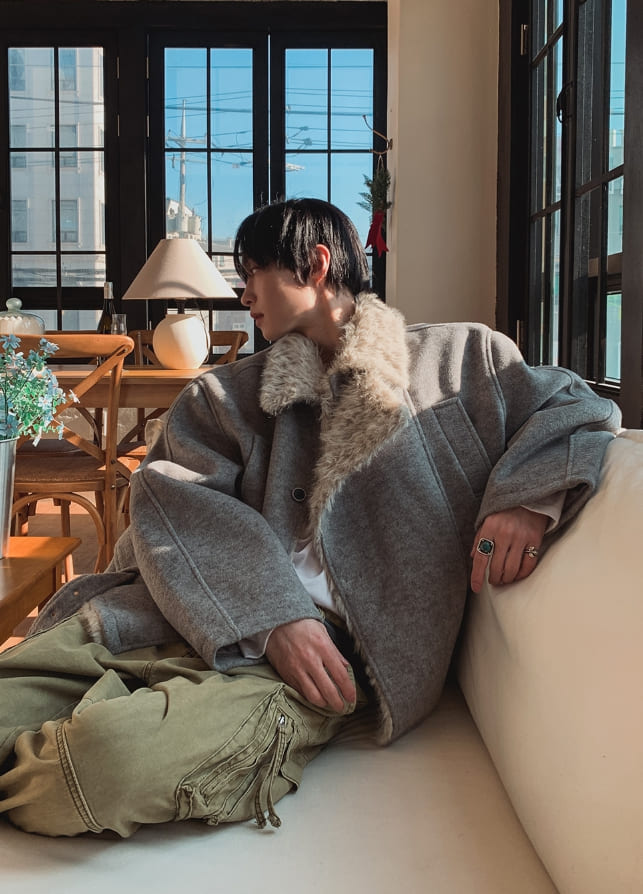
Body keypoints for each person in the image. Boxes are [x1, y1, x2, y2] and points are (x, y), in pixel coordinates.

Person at [0, 198, 620, 839]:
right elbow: (167, 497)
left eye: (254, 272)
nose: (244, 295)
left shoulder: (460, 360)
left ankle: (95, 722)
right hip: (157, 614)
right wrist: (271, 614)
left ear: (316, 264)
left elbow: (576, 403)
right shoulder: (223, 396)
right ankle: (100, 703)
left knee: (87, 771)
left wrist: (523, 500)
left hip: (305, 671)